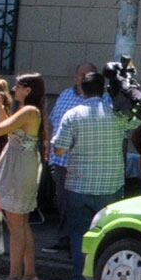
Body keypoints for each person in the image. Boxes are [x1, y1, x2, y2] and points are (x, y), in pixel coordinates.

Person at [53, 70, 127, 280]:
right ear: (103, 89)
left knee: (79, 235)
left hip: (79, 185)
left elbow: (59, 148)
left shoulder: (73, 115)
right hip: (111, 186)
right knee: (108, 236)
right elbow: (137, 122)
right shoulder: (116, 114)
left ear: (82, 90)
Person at [0, 72, 47, 280]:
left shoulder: (29, 110)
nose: (13, 89)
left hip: (19, 168)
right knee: (21, 223)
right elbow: (9, 127)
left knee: (15, 226)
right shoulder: (28, 110)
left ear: (28, 90)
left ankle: (14, 277)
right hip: (21, 165)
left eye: (18, 86)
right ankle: (29, 275)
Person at [45, 60, 103, 248]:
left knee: (81, 205)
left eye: (87, 75)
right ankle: (64, 239)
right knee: (62, 201)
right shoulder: (65, 95)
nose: (82, 78)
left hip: (85, 162)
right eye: (80, 74)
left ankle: (81, 243)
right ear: (75, 77)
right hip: (61, 160)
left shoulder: (103, 100)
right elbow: (53, 122)